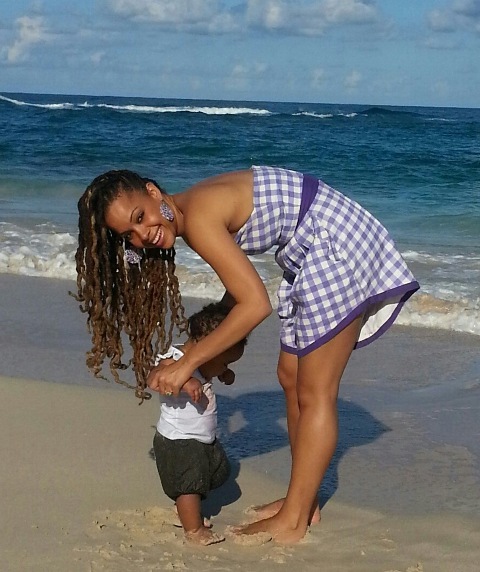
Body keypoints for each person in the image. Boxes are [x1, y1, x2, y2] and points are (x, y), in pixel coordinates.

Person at [75, 165, 419, 543]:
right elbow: (237, 293)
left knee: (315, 391)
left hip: (337, 244)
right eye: (129, 235)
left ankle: (294, 520)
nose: (143, 234)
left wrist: (188, 363)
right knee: (291, 376)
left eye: (140, 216)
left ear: (153, 192)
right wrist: (194, 350)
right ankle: (303, 503)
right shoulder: (191, 210)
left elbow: (255, 304)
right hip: (312, 248)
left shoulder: (199, 218)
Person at [153, 302, 246, 546]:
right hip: (180, 440)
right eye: (225, 363)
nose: (225, 368)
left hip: (201, 439)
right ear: (208, 348)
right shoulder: (175, 360)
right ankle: (193, 529)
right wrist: (183, 380)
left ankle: (185, 510)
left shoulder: (203, 366)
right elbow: (153, 378)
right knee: (190, 486)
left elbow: (209, 369)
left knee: (219, 471)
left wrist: (222, 373)